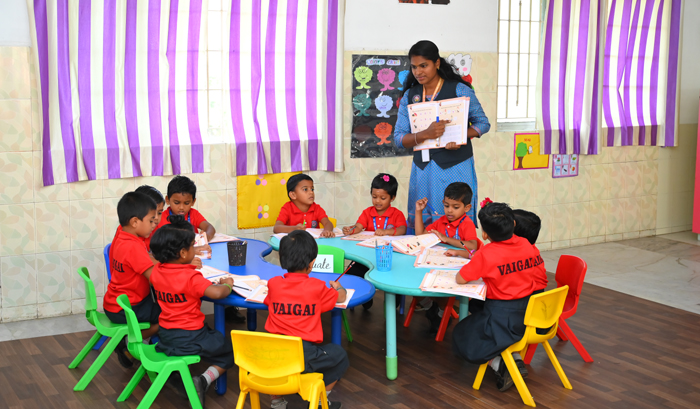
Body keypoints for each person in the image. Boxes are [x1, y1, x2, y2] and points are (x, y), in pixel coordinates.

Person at [393, 40, 490, 233]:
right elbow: (399, 138)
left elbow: (482, 123)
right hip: (423, 169)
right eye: (414, 67)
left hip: (455, 166)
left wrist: (460, 136)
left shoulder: (459, 90)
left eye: (424, 65)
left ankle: (455, 249)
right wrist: (425, 134)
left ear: (437, 63)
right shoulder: (410, 96)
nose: (418, 72)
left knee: (454, 219)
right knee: (423, 222)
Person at [451, 202, 546, 392]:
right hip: (530, 313)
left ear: (484, 234)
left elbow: (460, 278)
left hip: (503, 317)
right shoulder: (526, 244)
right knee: (477, 307)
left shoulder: (487, 253)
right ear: (513, 224)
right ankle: (514, 358)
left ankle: (500, 364)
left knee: (461, 335)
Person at [149, 217, 236, 407]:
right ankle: (203, 380)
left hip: (167, 334)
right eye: (191, 246)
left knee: (213, 337)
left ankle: (179, 376)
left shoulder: (156, 272)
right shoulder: (190, 277)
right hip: (192, 336)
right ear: (182, 253)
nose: (193, 249)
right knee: (231, 351)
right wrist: (228, 285)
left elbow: (172, 278)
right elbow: (217, 293)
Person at [265, 230, 349, 409]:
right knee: (339, 355)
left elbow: (268, 301)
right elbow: (340, 297)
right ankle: (319, 399)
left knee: (282, 362)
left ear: (282, 259)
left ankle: (276, 401)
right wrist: (339, 287)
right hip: (304, 355)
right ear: (311, 263)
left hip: (273, 355)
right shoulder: (317, 287)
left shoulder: (273, 284)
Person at [103, 191, 160, 368]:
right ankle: (131, 342)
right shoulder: (133, 246)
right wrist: (180, 269)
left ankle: (135, 342)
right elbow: (155, 278)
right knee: (170, 314)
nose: (154, 224)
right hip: (129, 308)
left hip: (114, 303)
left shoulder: (121, 235)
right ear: (135, 222)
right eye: (151, 220)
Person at [413, 182, 479, 330]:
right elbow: (420, 236)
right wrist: (418, 212)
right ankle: (432, 307)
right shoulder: (441, 221)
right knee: (416, 283)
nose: (449, 210)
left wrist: (446, 239)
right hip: (438, 265)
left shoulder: (467, 224)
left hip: (456, 271)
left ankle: (441, 312)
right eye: (446, 205)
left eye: (455, 207)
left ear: (467, 208)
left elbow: (472, 246)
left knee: (439, 292)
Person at [342, 173, 407, 237]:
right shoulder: (367, 212)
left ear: (392, 198)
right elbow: (358, 226)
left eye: (383, 198)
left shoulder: (397, 214)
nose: (377, 201)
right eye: (374, 197)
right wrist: (350, 230)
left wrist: (386, 231)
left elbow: (402, 229)